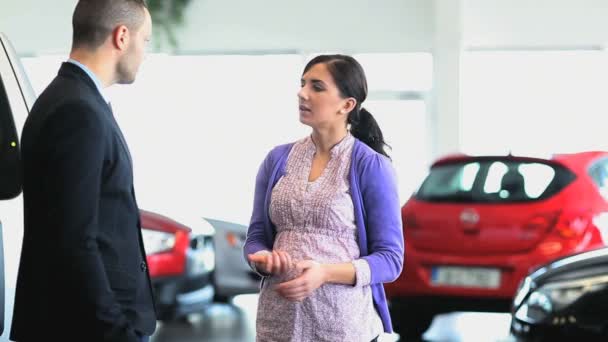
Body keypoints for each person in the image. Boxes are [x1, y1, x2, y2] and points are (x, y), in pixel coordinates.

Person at [11, 1, 155, 341]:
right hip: (86, 329)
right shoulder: (78, 110)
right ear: (122, 37)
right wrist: (116, 332)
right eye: (145, 40)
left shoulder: (67, 98)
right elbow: (74, 241)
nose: (145, 52)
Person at [244, 54, 404, 342]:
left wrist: (324, 273)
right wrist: (263, 260)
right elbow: (256, 237)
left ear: (347, 104)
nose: (302, 93)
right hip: (277, 322)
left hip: (342, 325)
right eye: (302, 83)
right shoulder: (277, 159)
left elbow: (390, 260)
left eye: (317, 87)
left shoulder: (370, 166)